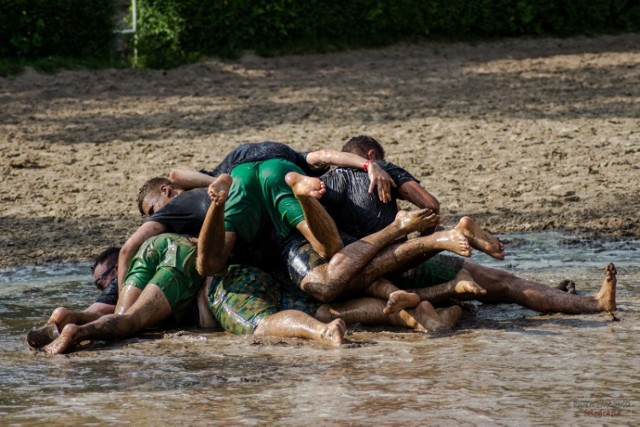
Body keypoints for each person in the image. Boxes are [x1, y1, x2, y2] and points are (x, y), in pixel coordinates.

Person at [312, 135, 618, 315]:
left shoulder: (328, 181)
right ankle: (594, 304)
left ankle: (581, 302)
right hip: (402, 258)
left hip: (358, 269)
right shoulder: (383, 169)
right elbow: (431, 206)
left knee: (488, 288)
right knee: (506, 283)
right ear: (370, 155)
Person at [119, 141, 395, 297]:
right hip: (280, 173)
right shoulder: (285, 151)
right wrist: (369, 165)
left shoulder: (222, 170)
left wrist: (217, 181)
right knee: (329, 248)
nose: (153, 216)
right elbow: (325, 155)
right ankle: (300, 191)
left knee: (212, 264)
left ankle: (225, 197)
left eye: (151, 210)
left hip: (238, 180)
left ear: (165, 191)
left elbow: (178, 175)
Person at [43, 233, 204, 355]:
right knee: (128, 320)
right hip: (178, 253)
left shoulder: (120, 278)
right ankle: (76, 331)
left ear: (117, 269)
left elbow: (98, 310)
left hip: (160, 252)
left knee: (124, 317)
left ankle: (66, 319)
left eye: (100, 282)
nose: (101, 289)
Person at [27, 247, 121, 348]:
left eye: (101, 285)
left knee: (112, 312)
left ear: (117, 269)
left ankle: (67, 319)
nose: (100, 291)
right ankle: (67, 321)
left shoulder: (122, 277)